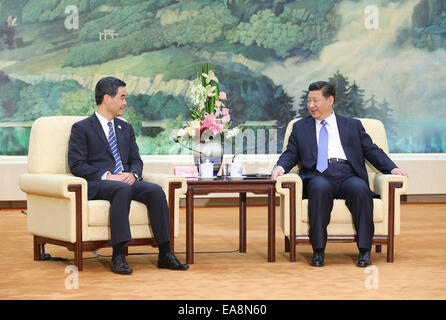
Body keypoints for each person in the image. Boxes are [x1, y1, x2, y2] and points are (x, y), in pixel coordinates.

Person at [271, 81, 407, 267]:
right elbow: (290, 154)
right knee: (319, 189)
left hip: (347, 174)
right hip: (318, 175)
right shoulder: (300, 127)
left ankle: (364, 250)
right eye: (308, 100)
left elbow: (372, 151)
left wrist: (393, 169)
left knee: (360, 190)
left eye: (316, 100)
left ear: (330, 100)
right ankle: (318, 250)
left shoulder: (352, 125)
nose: (311, 105)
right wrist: (279, 168)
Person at [68, 77, 189, 274]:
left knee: (155, 191)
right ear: (107, 98)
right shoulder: (82, 128)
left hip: (125, 181)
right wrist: (108, 176)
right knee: (121, 188)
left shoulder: (126, 128)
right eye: (122, 97)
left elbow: (136, 160)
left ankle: (165, 253)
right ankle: (118, 255)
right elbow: (77, 165)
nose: (125, 102)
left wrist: (133, 174)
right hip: (98, 184)